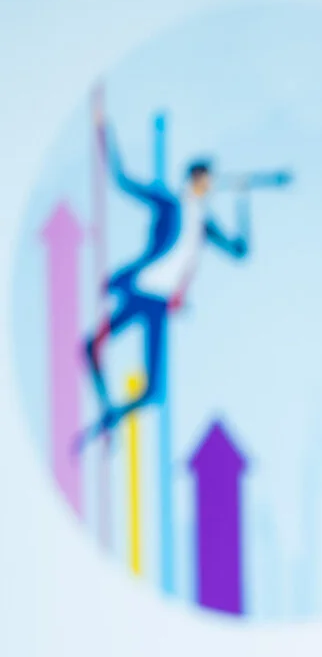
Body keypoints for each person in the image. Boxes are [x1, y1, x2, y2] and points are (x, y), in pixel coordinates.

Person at [82, 97, 257, 439]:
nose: (209, 187)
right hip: (139, 288)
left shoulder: (204, 222)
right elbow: (122, 179)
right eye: (206, 180)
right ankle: (105, 403)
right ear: (195, 178)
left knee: (154, 391)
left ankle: (112, 415)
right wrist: (104, 129)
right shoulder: (169, 201)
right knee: (93, 346)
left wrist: (242, 200)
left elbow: (240, 251)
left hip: (159, 303)